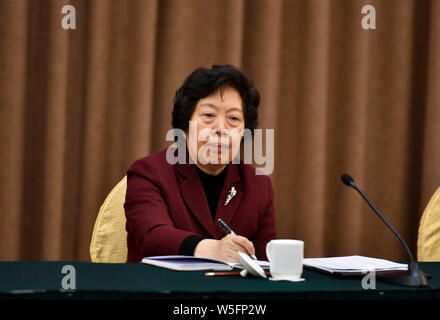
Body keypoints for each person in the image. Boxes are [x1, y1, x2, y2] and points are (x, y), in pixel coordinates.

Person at [124, 64, 276, 263]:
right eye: (208, 116)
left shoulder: (258, 185)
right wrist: (211, 249)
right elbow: (151, 236)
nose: (221, 128)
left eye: (233, 118)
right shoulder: (149, 172)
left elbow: (266, 261)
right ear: (185, 126)